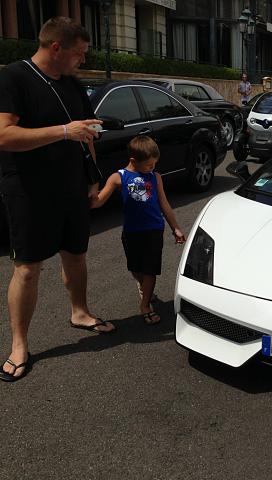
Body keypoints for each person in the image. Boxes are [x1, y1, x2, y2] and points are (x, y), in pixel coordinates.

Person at [0, 17, 113, 382]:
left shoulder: (73, 85)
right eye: (78, 54)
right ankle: (19, 345)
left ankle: (79, 312)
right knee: (28, 269)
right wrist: (64, 131)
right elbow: (3, 135)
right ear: (55, 49)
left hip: (71, 189)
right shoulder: (14, 78)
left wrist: (93, 179)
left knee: (76, 255)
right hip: (29, 191)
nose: (82, 60)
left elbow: (88, 134)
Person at [91, 136, 186, 325]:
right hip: (132, 232)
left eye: (154, 164)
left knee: (150, 270)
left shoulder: (155, 177)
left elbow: (164, 204)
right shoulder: (119, 177)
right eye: (148, 165)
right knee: (136, 269)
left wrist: (175, 227)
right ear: (133, 160)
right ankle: (143, 286)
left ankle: (145, 305)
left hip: (153, 230)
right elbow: (98, 201)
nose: (152, 168)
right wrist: (88, 191)